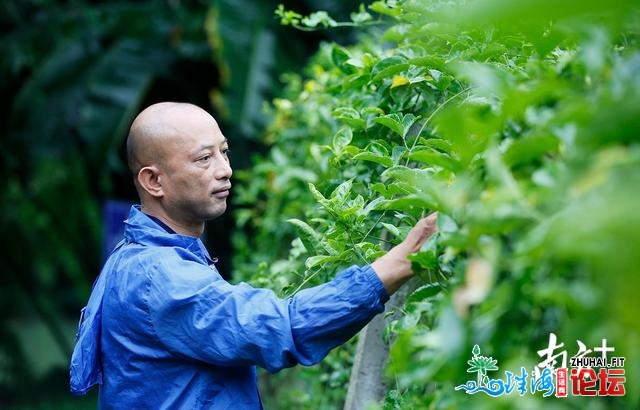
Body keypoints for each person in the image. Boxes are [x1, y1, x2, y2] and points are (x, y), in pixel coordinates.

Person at [70, 102, 438, 409]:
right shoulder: (161, 277)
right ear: (154, 181)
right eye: (203, 159)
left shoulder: (139, 255)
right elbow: (282, 327)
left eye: (223, 152)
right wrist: (400, 262)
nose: (225, 170)